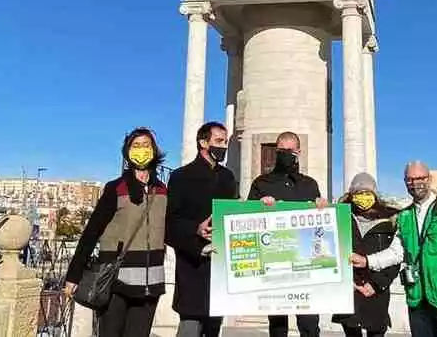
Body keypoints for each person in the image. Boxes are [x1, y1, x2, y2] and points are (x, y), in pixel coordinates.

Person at [351, 161, 437, 337]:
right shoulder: (405, 216)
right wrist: (366, 261)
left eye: (420, 178)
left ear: (429, 179)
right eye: (410, 180)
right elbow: (396, 253)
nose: (415, 183)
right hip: (417, 299)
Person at [64, 128, 169, 337]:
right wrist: (73, 275)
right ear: (127, 151)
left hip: (151, 282)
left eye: (146, 145)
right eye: (136, 145)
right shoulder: (116, 188)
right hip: (115, 281)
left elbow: (171, 229)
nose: (141, 150)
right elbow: (92, 231)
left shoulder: (162, 190)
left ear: (155, 150)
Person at [246, 131, 329, 337]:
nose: (285, 154)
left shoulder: (310, 184)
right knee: (277, 325)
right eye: (281, 150)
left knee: (310, 324)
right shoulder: (261, 183)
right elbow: (245, 221)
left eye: (290, 150)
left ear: (298, 152)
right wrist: (260, 206)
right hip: (275, 264)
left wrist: (323, 209)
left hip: (305, 265)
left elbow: (321, 227)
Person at [165, 122, 239, 337]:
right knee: (190, 326)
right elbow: (170, 223)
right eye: (218, 141)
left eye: (225, 142)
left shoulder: (228, 177)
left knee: (213, 328)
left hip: (220, 267)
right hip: (192, 266)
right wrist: (195, 231)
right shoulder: (181, 176)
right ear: (203, 142)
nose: (223, 146)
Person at [332, 173, 399, 337]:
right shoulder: (340, 217)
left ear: (375, 194)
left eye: (367, 192)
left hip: (377, 292)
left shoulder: (390, 220)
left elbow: (396, 257)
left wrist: (376, 284)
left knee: (376, 331)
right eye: (358, 193)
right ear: (351, 195)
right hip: (350, 290)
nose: (363, 197)